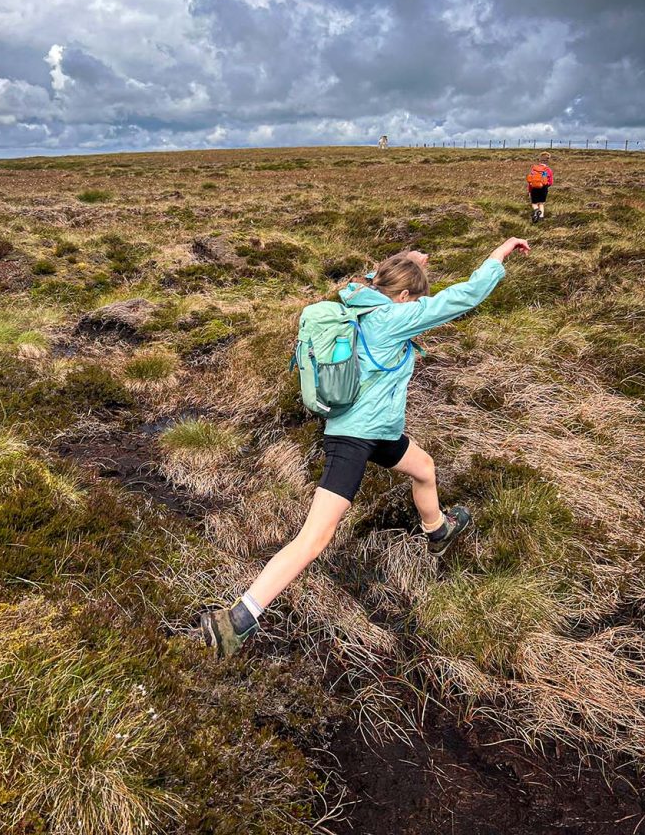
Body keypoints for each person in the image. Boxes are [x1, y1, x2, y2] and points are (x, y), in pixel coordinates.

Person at [201, 236, 531, 657]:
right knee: (314, 538)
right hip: (354, 438)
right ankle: (238, 621)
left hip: (380, 432)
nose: (415, 308)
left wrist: (409, 260)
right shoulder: (392, 319)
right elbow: (462, 297)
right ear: (406, 297)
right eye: (413, 300)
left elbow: (378, 276)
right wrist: (498, 255)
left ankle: (437, 531)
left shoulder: (359, 297)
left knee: (424, 467)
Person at [527, 154, 554, 223]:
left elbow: (530, 181)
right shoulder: (548, 170)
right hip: (544, 188)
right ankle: (541, 218)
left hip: (534, 188)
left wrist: (529, 191)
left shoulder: (534, 169)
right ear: (547, 161)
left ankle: (536, 210)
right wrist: (545, 186)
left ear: (539, 160)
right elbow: (550, 182)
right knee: (541, 203)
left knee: (534, 203)